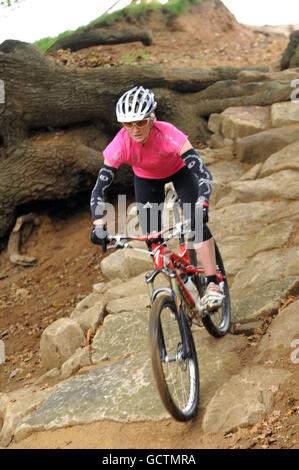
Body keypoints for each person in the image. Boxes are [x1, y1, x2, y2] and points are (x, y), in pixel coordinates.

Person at [90, 86, 224, 310]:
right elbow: (99, 190)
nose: (134, 129)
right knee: (153, 241)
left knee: (195, 223)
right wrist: (98, 224)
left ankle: (212, 282)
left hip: (180, 172)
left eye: (140, 122)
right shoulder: (119, 144)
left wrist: (203, 203)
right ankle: (183, 285)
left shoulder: (169, 133)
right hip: (147, 179)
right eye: (128, 124)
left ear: (151, 118)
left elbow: (203, 174)